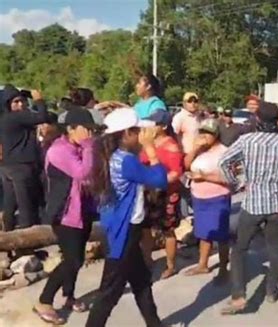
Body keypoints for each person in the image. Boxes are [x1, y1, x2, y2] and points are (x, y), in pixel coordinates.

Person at [86, 108, 168, 327]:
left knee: (141, 282)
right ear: (125, 134)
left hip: (121, 227)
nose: (142, 134)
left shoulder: (113, 157)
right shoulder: (126, 161)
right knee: (109, 293)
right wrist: (151, 150)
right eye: (138, 131)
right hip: (123, 233)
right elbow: (160, 179)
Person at [219, 101, 278, 314]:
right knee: (275, 248)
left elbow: (224, 162)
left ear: (257, 119)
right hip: (277, 202)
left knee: (240, 249)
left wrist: (239, 181)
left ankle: (239, 296)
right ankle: (271, 291)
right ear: (277, 120)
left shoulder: (247, 140)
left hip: (253, 202)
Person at [33, 108, 97, 325]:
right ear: (70, 129)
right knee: (73, 260)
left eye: (91, 130)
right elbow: (82, 173)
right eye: (85, 129)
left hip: (83, 211)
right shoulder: (59, 150)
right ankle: (44, 300)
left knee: (77, 258)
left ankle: (69, 295)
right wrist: (89, 148)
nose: (89, 134)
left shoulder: (79, 147)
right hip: (65, 214)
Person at [184, 119, 231, 280]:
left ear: (216, 135)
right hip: (199, 197)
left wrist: (204, 177)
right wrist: (195, 149)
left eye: (208, 133)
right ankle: (202, 265)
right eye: (201, 132)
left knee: (221, 234)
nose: (204, 136)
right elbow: (186, 165)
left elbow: (231, 178)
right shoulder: (200, 150)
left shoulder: (225, 152)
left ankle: (224, 268)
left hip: (217, 197)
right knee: (204, 233)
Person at [139, 110, 184, 279]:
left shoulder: (171, 146)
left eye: (154, 123)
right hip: (147, 192)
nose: (149, 126)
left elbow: (175, 173)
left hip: (166, 194)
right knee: (145, 228)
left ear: (163, 126)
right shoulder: (147, 143)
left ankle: (170, 265)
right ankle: (147, 259)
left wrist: (157, 181)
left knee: (168, 230)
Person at [0, 85, 48, 231]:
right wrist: (39, 100)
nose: (21, 104)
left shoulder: (5, 118)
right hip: (21, 165)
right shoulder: (16, 117)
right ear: (7, 103)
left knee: (10, 202)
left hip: (8, 165)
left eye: (22, 101)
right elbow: (43, 117)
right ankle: (27, 241)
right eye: (16, 102)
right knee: (26, 204)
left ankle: (7, 233)